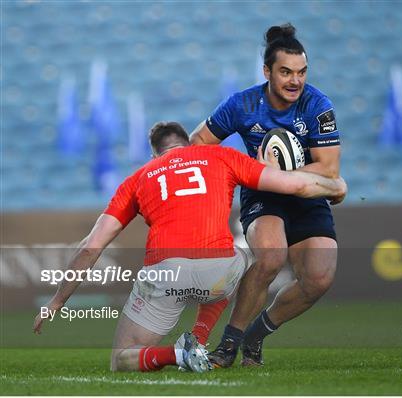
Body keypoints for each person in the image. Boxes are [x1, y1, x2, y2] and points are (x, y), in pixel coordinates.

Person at [33, 121, 346, 373]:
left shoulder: (138, 178)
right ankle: (202, 336)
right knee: (244, 257)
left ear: (156, 154)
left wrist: (58, 300)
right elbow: (298, 184)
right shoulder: (221, 155)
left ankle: (178, 354)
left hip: (165, 275)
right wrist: (337, 186)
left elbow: (92, 246)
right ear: (189, 143)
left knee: (123, 359)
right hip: (218, 275)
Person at [190, 23, 342, 367]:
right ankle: (229, 345)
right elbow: (198, 144)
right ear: (267, 72)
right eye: (286, 72)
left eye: (301, 72)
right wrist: (248, 169)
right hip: (264, 196)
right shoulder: (243, 103)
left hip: (308, 195)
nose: (295, 81)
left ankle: (258, 334)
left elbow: (329, 169)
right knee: (270, 257)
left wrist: (281, 174)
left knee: (319, 279)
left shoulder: (318, 104)